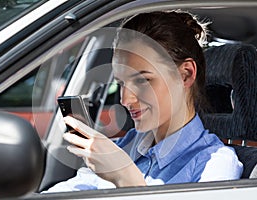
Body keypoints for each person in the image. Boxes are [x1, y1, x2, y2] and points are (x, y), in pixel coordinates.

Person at [43, 10, 243, 193]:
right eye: (121, 83)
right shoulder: (127, 144)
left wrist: (127, 178)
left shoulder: (216, 166)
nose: (125, 99)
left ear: (185, 75)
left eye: (142, 80)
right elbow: (72, 190)